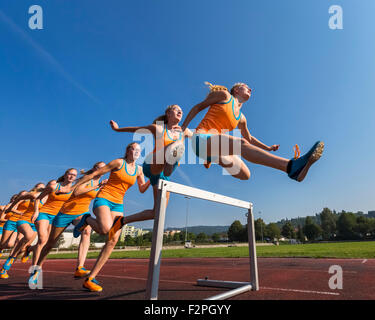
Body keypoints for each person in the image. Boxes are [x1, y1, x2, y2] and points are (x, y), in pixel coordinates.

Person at [181, 82, 324, 182]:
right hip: (200, 139)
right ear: (236, 90)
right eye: (246, 87)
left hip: (214, 144)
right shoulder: (224, 96)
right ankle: (290, 167)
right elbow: (198, 107)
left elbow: (249, 138)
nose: (250, 89)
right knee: (239, 144)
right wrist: (183, 127)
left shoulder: (241, 118)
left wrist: (268, 148)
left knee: (245, 174)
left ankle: (213, 158)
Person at [72, 142, 150, 292]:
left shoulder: (139, 170)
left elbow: (141, 189)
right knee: (106, 229)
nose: (137, 152)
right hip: (104, 199)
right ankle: (86, 219)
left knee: (112, 239)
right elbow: (94, 174)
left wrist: (153, 180)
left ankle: (90, 279)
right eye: (134, 149)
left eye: (139, 150)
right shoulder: (118, 162)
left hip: (118, 205)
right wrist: (75, 186)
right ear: (128, 151)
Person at [107, 104, 193, 237]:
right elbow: (136, 130)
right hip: (151, 165)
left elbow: (200, 139)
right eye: (176, 109)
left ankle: (122, 221)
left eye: (182, 109)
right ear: (168, 113)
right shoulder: (158, 128)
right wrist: (118, 129)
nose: (180, 110)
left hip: (163, 175)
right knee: (176, 146)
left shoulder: (184, 131)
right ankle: (171, 155)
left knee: (157, 211)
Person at [29, 162, 107, 285]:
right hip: (65, 213)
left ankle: (79, 268)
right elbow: (77, 192)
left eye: (104, 168)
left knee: (87, 231)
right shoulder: (86, 179)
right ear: (94, 169)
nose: (102, 170)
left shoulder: (101, 184)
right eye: (99, 168)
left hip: (80, 213)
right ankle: (36, 270)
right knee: (50, 244)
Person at [30, 168, 78, 270]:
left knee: (48, 243)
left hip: (56, 217)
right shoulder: (53, 186)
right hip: (44, 214)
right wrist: (36, 211)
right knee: (43, 240)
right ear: (65, 175)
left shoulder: (73, 190)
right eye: (70, 174)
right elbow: (38, 199)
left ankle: (30, 249)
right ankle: (35, 269)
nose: (72, 176)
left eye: (74, 175)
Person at [0, 183, 47, 279]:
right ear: (35, 188)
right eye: (40, 187)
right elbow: (12, 207)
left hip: (31, 223)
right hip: (15, 221)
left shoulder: (46, 198)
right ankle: (5, 262)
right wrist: (15, 210)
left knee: (21, 248)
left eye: (44, 187)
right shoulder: (27, 195)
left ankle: (6, 267)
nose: (42, 189)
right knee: (5, 244)